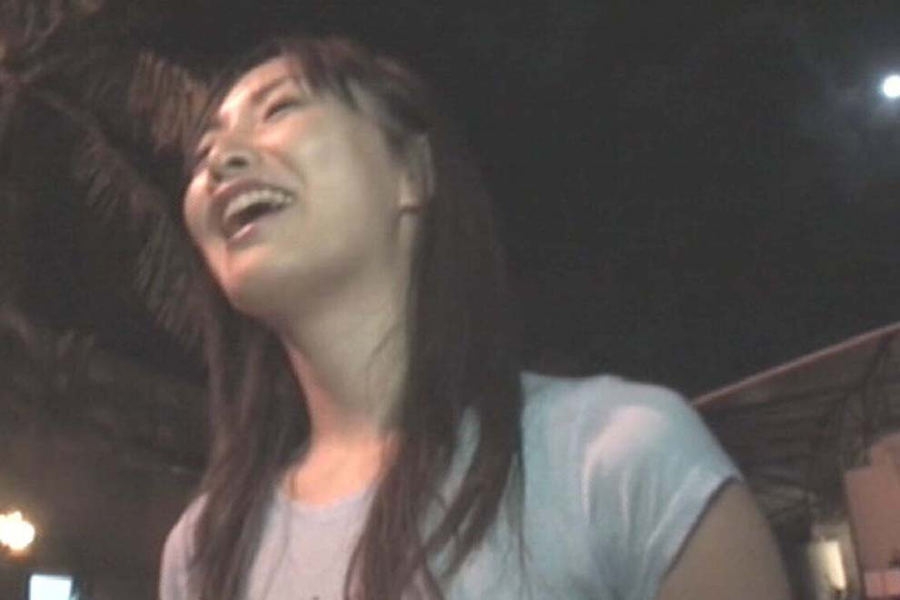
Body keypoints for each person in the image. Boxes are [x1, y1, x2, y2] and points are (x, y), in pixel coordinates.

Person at [159, 35, 791, 600]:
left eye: (279, 109)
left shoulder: (614, 458)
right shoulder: (203, 550)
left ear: (412, 173)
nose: (219, 161)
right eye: (205, 149)